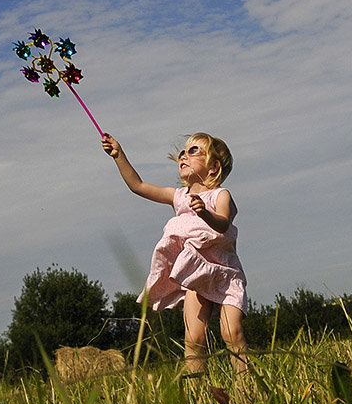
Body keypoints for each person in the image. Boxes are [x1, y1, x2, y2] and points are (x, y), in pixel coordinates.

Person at [102, 131, 248, 377]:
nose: (184, 155)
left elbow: (223, 223)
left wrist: (205, 214)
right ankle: (198, 393)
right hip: (195, 276)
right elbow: (138, 186)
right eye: (183, 151)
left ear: (213, 167)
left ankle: (247, 390)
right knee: (194, 339)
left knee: (231, 333)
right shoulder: (178, 196)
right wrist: (119, 155)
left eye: (194, 151)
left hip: (225, 274)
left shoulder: (220, 195)